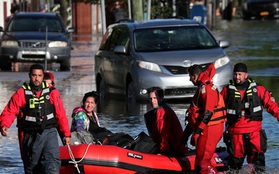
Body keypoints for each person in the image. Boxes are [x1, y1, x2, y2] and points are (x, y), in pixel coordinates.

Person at [0, 64, 71, 174]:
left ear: (43, 76)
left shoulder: (52, 92)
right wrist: (4, 125)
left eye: (39, 75)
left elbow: (60, 114)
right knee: (32, 166)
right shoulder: (21, 93)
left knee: (52, 163)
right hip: (30, 135)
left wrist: (66, 134)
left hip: (49, 132)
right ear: (29, 76)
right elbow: (10, 110)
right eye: (34, 75)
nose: (36, 78)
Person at [220, 63, 279, 171]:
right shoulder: (226, 90)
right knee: (234, 166)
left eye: (240, 74)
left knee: (258, 165)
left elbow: (271, 106)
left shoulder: (259, 89)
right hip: (235, 134)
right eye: (235, 74)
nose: (237, 77)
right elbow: (217, 109)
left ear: (246, 75)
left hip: (254, 133)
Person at [182, 63, 226, 174]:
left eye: (190, 77)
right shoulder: (202, 88)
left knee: (203, 163)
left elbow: (208, 113)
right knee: (199, 161)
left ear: (195, 76)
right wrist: (186, 135)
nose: (189, 80)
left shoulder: (207, 88)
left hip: (210, 128)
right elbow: (196, 114)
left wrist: (197, 132)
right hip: (206, 128)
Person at [144, 87, 186, 156]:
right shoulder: (157, 112)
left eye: (155, 98)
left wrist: (163, 151)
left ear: (161, 98)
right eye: (150, 99)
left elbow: (164, 134)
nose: (152, 101)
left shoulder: (162, 111)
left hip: (173, 150)